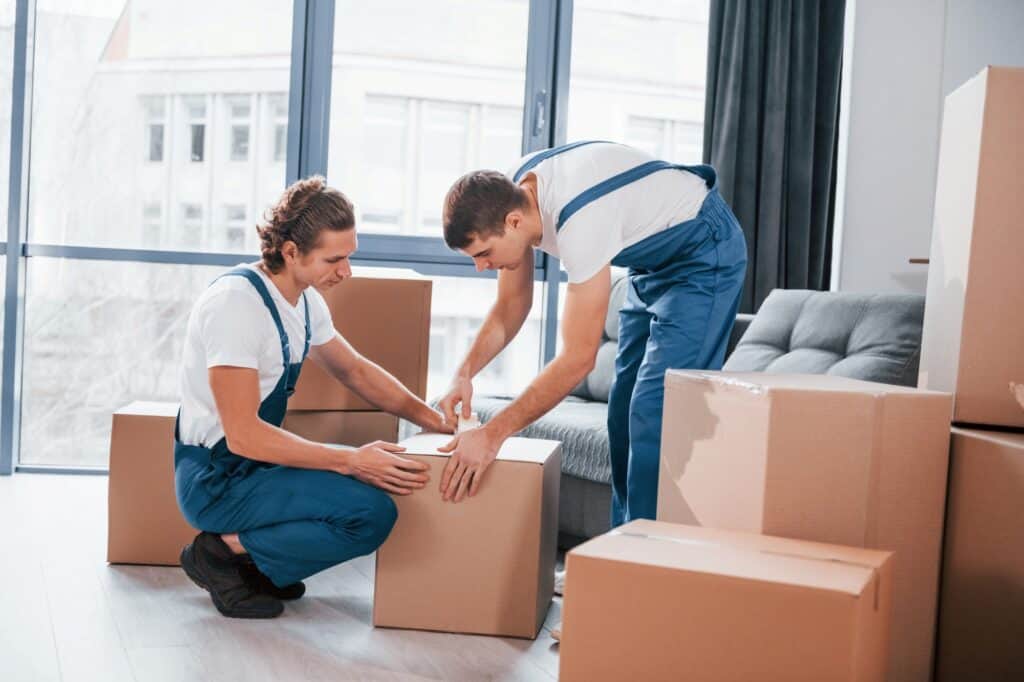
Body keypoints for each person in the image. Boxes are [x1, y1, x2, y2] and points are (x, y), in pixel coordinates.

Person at [174, 176, 451, 619]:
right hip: (217, 479)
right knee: (369, 512)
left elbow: (353, 370)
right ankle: (223, 553)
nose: (346, 272)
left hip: (256, 467)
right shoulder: (235, 306)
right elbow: (243, 435)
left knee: (367, 490)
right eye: (334, 259)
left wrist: (435, 419)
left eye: (349, 256)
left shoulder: (303, 301)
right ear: (290, 252)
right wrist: (351, 459)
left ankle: (254, 563)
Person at [436, 140, 747, 529]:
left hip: (704, 253)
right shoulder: (513, 192)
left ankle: (648, 565)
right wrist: (463, 374)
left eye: (484, 254)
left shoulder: (580, 220)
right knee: (621, 415)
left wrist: (492, 434)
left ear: (514, 222)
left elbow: (578, 358)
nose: (482, 267)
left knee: (656, 409)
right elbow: (511, 305)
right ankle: (619, 550)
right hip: (649, 265)